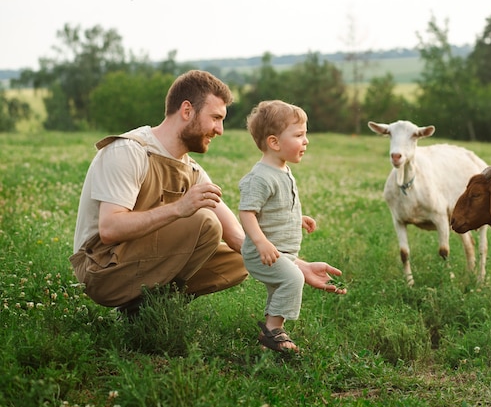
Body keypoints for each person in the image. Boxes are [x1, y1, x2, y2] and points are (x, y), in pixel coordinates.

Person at [69, 70, 346, 317]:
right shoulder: (128, 151)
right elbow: (109, 228)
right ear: (187, 110)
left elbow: (240, 238)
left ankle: (147, 309)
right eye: (215, 118)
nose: (220, 130)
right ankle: (137, 303)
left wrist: (299, 267)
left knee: (244, 259)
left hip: (138, 263)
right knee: (205, 222)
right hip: (102, 269)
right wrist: (181, 208)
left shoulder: (193, 171)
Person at [239, 100, 345, 353]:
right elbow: (247, 213)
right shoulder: (261, 177)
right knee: (293, 278)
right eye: (299, 135)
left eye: (305, 134)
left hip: (281, 250)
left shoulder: (282, 170)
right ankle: (273, 331)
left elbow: (273, 209)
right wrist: (261, 242)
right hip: (261, 251)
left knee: (283, 284)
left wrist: (296, 218)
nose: (306, 141)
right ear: (274, 142)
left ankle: (270, 332)